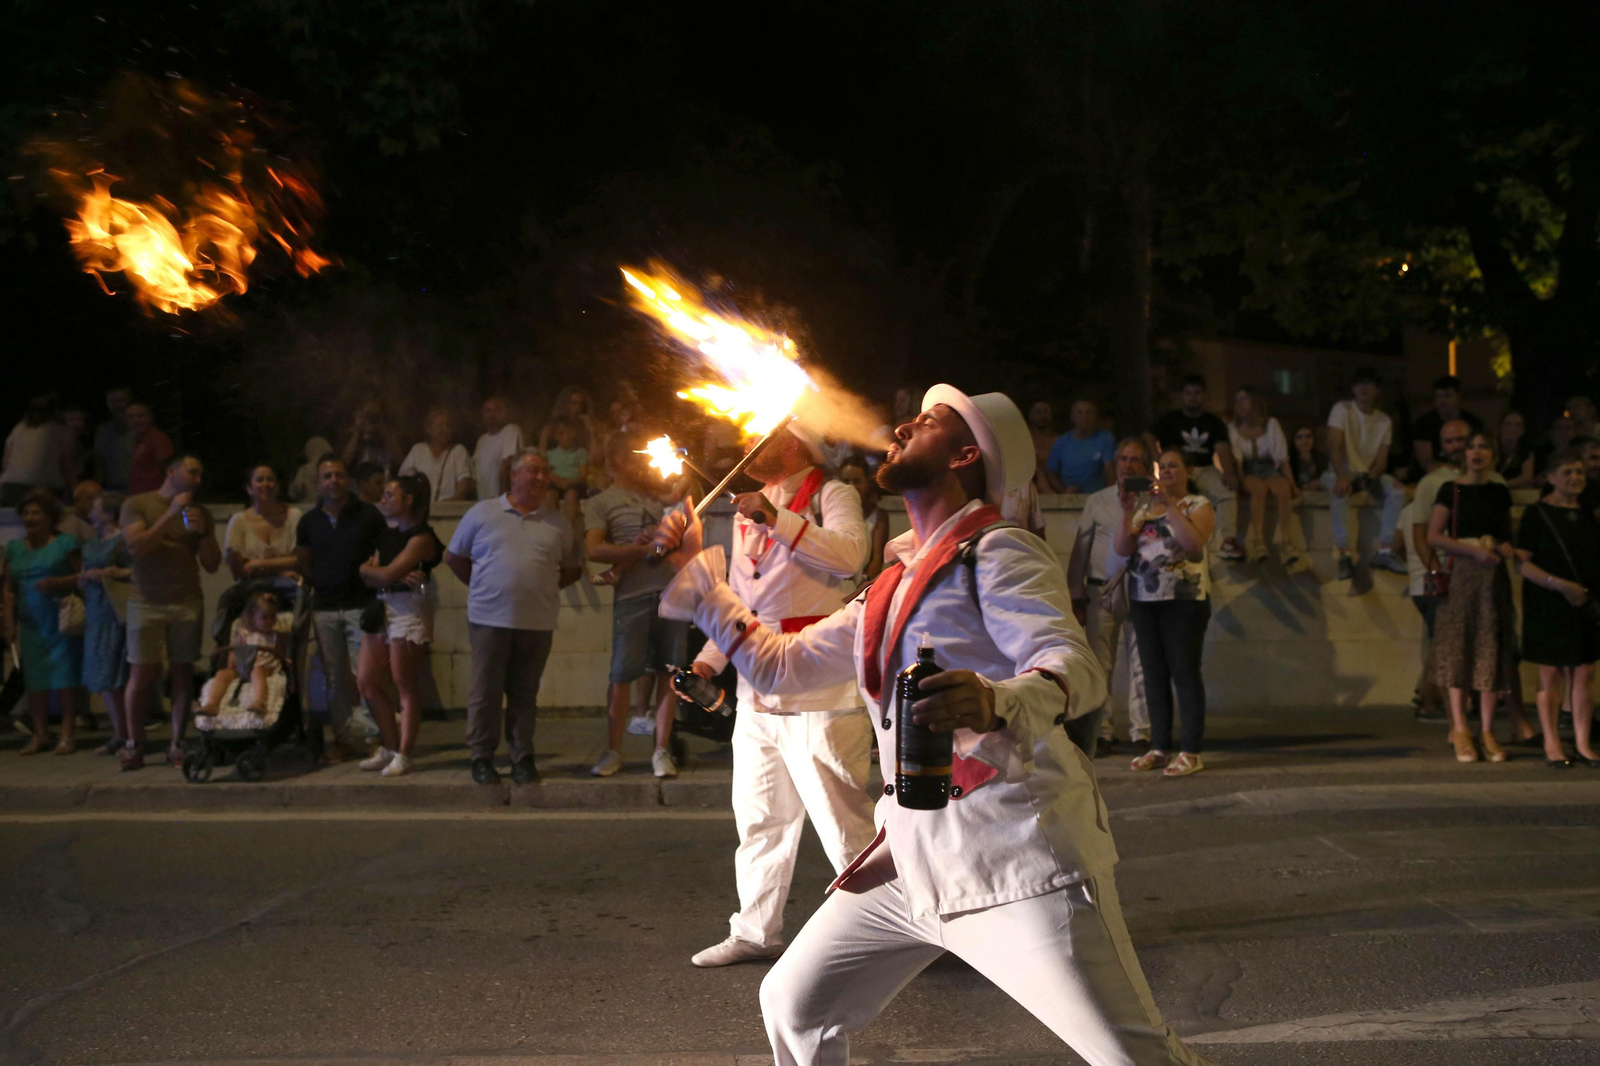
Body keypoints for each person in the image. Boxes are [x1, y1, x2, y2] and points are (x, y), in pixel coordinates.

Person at [651, 386, 1213, 1066]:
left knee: (1132, 1057)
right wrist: (698, 576)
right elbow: (781, 667)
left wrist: (996, 700)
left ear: (967, 454)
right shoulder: (891, 583)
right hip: (912, 861)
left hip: (1013, 861)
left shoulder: (998, 552)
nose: (900, 426)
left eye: (929, 422)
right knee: (794, 1005)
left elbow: (1076, 667)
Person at [679, 424, 876, 968]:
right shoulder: (747, 510)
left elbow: (851, 557)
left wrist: (776, 517)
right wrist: (708, 661)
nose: (746, 449)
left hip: (819, 684)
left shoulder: (832, 495)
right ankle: (756, 930)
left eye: (758, 439)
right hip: (757, 687)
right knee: (760, 816)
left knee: (843, 823)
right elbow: (744, 601)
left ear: (792, 445)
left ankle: (889, 930)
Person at [444, 451, 582, 785]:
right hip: (489, 619)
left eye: (544, 472)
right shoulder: (483, 513)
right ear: (514, 475)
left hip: (536, 622)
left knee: (525, 694)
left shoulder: (557, 522)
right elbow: (454, 557)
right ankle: (481, 757)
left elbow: (572, 569)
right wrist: (485, 587)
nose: (539, 478)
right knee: (485, 693)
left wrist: (540, 588)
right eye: (532, 471)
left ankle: (522, 758)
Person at [583, 434, 689, 777]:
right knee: (622, 677)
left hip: (670, 595)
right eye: (636, 456)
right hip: (631, 597)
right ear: (619, 460)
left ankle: (661, 750)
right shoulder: (602, 502)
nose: (645, 462)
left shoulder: (660, 498)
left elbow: (685, 527)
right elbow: (594, 550)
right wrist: (640, 550)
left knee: (669, 674)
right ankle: (613, 751)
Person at [1114, 449, 1215, 778]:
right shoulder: (1144, 510)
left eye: (1174, 466)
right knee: (1153, 674)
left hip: (1185, 599)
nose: (1168, 471)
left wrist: (1170, 505)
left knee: (1184, 672)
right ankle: (1158, 746)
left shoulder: (1198, 505)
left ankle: (1191, 750)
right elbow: (1122, 548)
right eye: (1163, 467)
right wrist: (1127, 511)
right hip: (1145, 598)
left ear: (1188, 472)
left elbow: (1193, 543)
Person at [118, 453, 220, 769]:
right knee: (142, 672)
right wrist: (170, 513)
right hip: (146, 600)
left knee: (182, 671)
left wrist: (203, 533)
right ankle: (134, 743)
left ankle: (177, 742)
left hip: (186, 600)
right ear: (171, 471)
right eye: (192, 472)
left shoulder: (199, 511)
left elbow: (213, 564)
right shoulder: (138, 505)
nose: (197, 479)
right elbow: (137, 547)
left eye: (201, 474)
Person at [1427, 432, 1518, 764]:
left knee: (1490, 648)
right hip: (1463, 573)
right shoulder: (1450, 489)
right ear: (1462, 455)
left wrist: (1504, 547)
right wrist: (1473, 551)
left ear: (1492, 455)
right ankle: (1461, 729)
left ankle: (1489, 730)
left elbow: (1507, 534)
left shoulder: (1498, 491)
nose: (1477, 452)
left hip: (1493, 576)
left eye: (1484, 446)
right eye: (1472, 447)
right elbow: (1433, 536)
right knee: (1459, 648)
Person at [295, 456, 387, 762]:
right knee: (334, 679)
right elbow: (304, 562)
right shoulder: (308, 522)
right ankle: (343, 738)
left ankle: (376, 737)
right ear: (318, 483)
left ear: (347, 480)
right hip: (324, 609)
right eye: (327, 476)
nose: (333, 480)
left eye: (339, 475)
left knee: (366, 677)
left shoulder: (368, 514)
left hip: (361, 605)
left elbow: (384, 551)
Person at [1513, 448, 1600, 768]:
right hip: (1549, 600)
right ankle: (1552, 742)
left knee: (1585, 671)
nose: (1576, 478)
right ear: (1549, 478)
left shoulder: (1589, 512)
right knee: (1550, 673)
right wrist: (1559, 584)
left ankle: (1582, 743)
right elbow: (1521, 564)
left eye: (1579, 471)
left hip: (1585, 600)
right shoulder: (1537, 513)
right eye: (1567, 472)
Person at [357, 474, 443, 778]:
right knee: (366, 681)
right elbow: (369, 572)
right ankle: (391, 747)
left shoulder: (421, 538)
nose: (383, 500)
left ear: (408, 500)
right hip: (383, 608)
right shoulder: (388, 535)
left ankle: (405, 753)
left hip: (408, 610)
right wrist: (380, 571)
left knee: (403, 681)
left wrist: (383, 572)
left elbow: (381, 573)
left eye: (390, 495)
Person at [1067, 437, 1150, 754]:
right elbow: (1081, 548)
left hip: (1142, 588)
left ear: (1143, 466)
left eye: (1135, 460)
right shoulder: (1098, 501)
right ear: (1116, 464)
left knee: (1142, 663)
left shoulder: (1151, 501)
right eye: (1124, 459)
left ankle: (1142, 730)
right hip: (1101, 590)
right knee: (1101, 665)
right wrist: (1076, 595)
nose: (1129, 465)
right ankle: (1102, 730)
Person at [1404, 419, 1474, 722]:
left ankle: (1433, 698)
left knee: (1452, 640)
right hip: (1441, 575)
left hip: (1473, 573)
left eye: (1461, 440)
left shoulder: (1487, 478)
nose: (1455, 446)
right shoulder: (1432, 483)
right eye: (1448, 441)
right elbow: (1420, 533)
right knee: (1443, 641)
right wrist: (1436, 573)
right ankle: (1432, 703)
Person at [4, 489, 84, 754]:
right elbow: (8, 588)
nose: (30, 517)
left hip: (61, 620)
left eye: (36, 512)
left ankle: (67, 735)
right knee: (35, 680)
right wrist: (8, 621)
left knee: (64, 678)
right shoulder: (14, 549)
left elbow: (84, 577)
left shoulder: (65, 544)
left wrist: (59, 582)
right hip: (30, 623)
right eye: (26, 513)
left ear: (50, 517)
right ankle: (40, 735)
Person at [1322, 368, 1407, 579]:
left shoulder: (1384, 421)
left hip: (1366, 475)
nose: (1364, 388)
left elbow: (1381, 460)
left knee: (1397, 490)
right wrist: (1342, 476)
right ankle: (1343, 555)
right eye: (1360, 383)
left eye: (1370, 384)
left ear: (1378, 390)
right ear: (1353, 388)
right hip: (1339, 471)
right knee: (1339, 490)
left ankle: (1385, 552)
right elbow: (1334, 445)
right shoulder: (1342, 409)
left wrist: (1372, 475)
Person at [1149, 374, 1242, 561]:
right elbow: (1148, 436)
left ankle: (1228, 541)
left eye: (1197, 393)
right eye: (1188, 393)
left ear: (1204, 395)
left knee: (1227, 493)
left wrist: (1229, 474)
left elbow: (1222, 449)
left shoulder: (1213, 422)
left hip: (1203, 468)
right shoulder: (1169, 419)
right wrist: (1157, 460)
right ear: (1182, 395)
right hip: (1174, 469)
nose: (1193, 397)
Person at [1227, 386, 1307, 568]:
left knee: (1283, 489)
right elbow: (1238, 460)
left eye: (1245, 399)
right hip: (1248, 469)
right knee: (1258, 489)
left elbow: (1281, 458)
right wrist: (1240, 482)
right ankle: (1258, 542)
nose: (1240, 404)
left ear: (1255, 402)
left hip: (1269, 468)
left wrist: (1293, 484)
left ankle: (1287, 544)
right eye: (1237, 400)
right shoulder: (1232, 428)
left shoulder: (1271, 424)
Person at [78, 491, 132, 756]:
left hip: (114, 611)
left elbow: (137, 571)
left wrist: (110, 573)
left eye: (96, 509)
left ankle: (125, 733)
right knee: (103, 672)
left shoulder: (122, 541)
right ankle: (119, 732)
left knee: (114, 673)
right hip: (96, 611)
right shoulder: (93, 543)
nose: (91, 514)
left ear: (109, 514)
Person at [194, 589, 288, 731]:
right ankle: (212, 704)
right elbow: (234, 652)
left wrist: (285, 660)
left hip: (265, 667)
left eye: (273, 617)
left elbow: (279, 654)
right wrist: (232, 663)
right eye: (264, 617)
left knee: (257, 671)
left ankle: (260, 702)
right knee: (222, 674)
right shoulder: (243, 634)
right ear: (252, 617)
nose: (270, 621)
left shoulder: (275, 636)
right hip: (242, 667)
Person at [224, 465, 302, 581]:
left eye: (270, 480)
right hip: (252, 586)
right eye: (259, 480)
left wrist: (257, 564)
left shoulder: (294, 516)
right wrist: (279, 570)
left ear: (277, 487)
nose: (265, 484)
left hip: (288, 585)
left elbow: (299, 559)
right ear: (249, 488)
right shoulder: (238, 520)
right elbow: (238, 569)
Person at [1, 393, 72, 507]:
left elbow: (5, 464)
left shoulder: (18, 429)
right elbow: (68, 467)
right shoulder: (60, 431)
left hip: (11, 487)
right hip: (45, 488)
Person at [399, 408, 474, 503]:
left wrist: (454, 501)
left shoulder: (458, 451)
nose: (445, 429)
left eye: (448, 425)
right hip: (422, 509)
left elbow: (463, 480)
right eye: (440, 425)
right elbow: (405, 481)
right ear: (429, 429)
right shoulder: (418, 450)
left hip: (449, 509)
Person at [1411, 375, 1484, 470]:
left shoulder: (1473, 422)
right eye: (1438, 396)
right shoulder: (1424, 424)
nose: (1442, 401)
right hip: (1436, 474)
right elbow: (1426, 462)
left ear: (1459, 396)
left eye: (1447, 396)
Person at [1046, 398, 1115, 494]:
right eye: (1080, 413)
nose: (1084, 416)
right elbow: (1051, 471)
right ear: (1072, 417)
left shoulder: (1105, 438)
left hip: (1097, 496)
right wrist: (1063, 491)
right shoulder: (1061, 441)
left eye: (1089, 413)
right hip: (1070, 498)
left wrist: (1108, 495)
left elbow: (1110, 469)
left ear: (1095, 416)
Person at [839, 454, 889, 584]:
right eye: (846, 481)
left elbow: (877, 559)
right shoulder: (830, 513)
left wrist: (861, 584)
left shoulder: (878, 516)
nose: (851, 486)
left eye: (856, 481)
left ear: (867, 482)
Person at [472, 396, 523, 500]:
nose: (491, 414)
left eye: (497, 410)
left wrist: (502, 501)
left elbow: (508, 466)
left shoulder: (511, 430)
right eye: (488, 411)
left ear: (506, 413)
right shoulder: (482, 440)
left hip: (501, 502)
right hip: (483, 503)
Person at [340, 400, 403, 476]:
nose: (369, 420)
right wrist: (358, 431)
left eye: (373, 416)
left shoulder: (391, 436)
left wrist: (382, 430)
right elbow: (343, 464)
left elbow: (400, 461)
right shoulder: (349, 435)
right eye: (364, 415)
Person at [543, 416, 589, 520]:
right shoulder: (551, 454)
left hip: (574, 484)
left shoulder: (580, 452)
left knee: (571, 495)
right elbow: (547, 472)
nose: (562, 437)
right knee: (550, 495)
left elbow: (583, 474)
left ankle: (568, 528)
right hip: (556, 483)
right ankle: (552, 526)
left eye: (564, 433)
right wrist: (557, 480)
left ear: (573, 434)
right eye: (560, 434)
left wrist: (569, 482)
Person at [124, 403, 175, 495]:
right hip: (138, 496)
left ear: (150, 417)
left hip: (154, 496)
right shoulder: (134, 441)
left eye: (141, 416)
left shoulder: (158, 438)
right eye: (131, 417)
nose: (136, 420)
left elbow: (170, 469)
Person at [93, 386, 135, 492]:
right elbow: (100, 462)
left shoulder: (140, 429)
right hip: (110, 489)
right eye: (112, 401)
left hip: (137, 489)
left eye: (121, 400)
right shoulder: (102, 431)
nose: (117, 405)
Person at [1495, 410, 1537, 487]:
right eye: (1508, 424)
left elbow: (1527, 478)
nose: (1512, 428)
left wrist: (1504, 485)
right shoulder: (1491, 447)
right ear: (1500, 427)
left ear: (1523, 430)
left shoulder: (1526, 450)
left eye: (1517, 425)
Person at [286, 436, 333, 503]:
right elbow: (293, 493)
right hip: (308, 506)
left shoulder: (330, 469)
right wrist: (298, 486)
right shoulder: (305, 469)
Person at [1027, 401, 1059, 494]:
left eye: (1045, 412)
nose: (1042, 416)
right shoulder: (1026, 439)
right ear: (1031, 416)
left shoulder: (1059, 440)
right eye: (1038, 412)